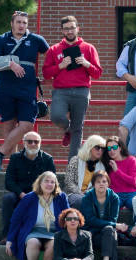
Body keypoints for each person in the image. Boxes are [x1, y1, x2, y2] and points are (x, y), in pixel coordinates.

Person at [0, 11, 50, 172]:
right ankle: (11, 165)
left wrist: (48, 73)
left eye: (24, 23)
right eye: (19, 22)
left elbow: (51, 55)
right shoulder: (2, 39)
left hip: (27, 90)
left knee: (27, 124)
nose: (21, 25)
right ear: (12, 23)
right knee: (9, 125)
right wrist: (10, 63)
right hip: (5, 89)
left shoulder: (36, 39)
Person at [43, 15, 102, 157]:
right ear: (62, 31)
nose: (70, 31)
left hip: (82, 91)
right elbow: (45, 73)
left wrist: (86, 63)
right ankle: (67, 129)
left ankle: (73, 167)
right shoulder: (54, 49)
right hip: (61, 91)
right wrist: (60, 66)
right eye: (66, 29)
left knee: (78, 129)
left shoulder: (88, 48)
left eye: (72, 28)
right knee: (56, 116)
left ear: (77, 29)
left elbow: (98, 73)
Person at [6, 171, 70, 260]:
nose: (49, 184)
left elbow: (67, 216)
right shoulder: (29, 198)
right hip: (33, 231)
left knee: (55, 243)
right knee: (32, 242)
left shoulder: (61, 197)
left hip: (54, 232)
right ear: (40, 183)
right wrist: (10, 240)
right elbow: (16, 219)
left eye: (52, 182)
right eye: (46, 181)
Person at [1, 131, 56, 244]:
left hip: (40, 194)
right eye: (29, 141)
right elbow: (9, 181)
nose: (33, 144)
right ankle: (7, 235)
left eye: (36, 142)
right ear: (24, 143)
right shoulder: (15, 158)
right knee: (8, 199)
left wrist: (37, 195)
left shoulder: (47, 159)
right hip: (19, 194)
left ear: (40, 143)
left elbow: (52, 181)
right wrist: (21, 194)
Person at [79, 171, 124, 260]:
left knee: (109, 232)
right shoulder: (87, 198)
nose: (101, 184)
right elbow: (89, 220)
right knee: (111, 236)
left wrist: (112, 225)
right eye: (98, 182)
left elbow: (113, 219)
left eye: (104, 181)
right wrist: (115, 225)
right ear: (93, 184)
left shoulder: (114, 198)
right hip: (91, 233)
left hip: (106, 233)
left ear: (108, 183)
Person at [62, 134, 105, 204]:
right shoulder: (75, 160)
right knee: (82, 201)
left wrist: (88, 193)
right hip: (73, 193)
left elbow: (100, 183)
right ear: (89, 147)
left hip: (92, 194)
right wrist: (80, 193)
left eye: (103, 148)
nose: (100, 150)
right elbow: (69, 182)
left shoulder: (102, 165)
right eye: (97, 147)